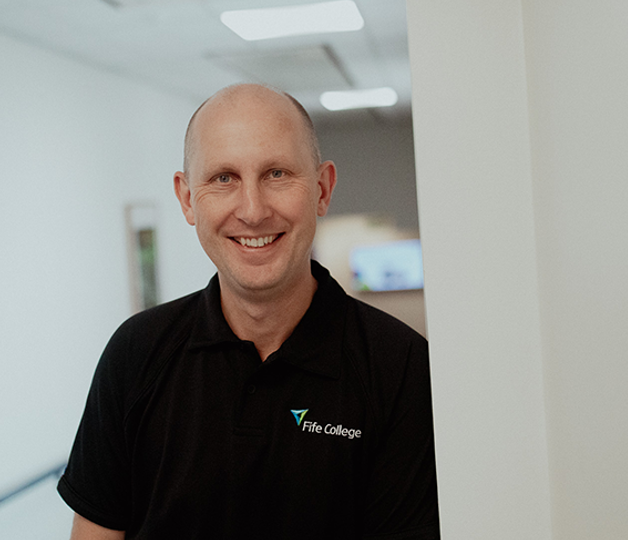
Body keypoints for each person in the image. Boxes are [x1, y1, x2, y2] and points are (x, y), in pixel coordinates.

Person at [58, 84, 439, 539]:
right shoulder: (135, 354)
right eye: (224, 178)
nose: (253, 211)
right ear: (186, 199)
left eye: (277, 173)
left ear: (322, 188)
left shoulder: (403, 369)